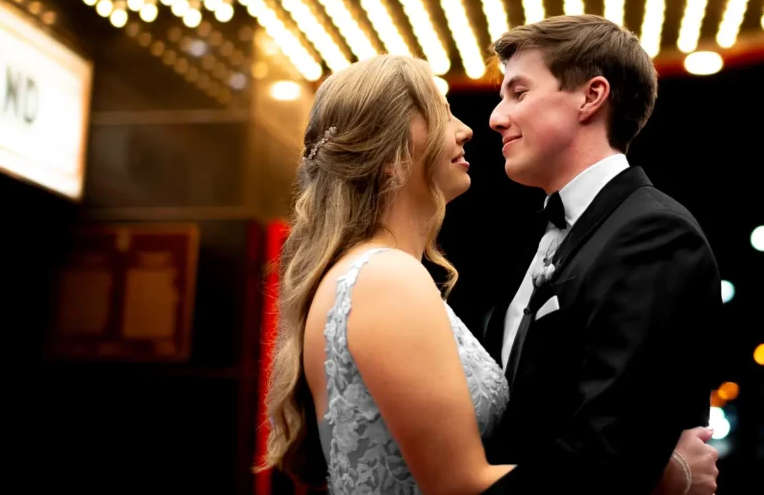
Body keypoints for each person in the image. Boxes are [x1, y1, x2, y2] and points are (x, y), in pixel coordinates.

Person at [262, 53, 717, 494]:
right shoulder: (385, 278)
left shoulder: (367, 274)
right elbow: (459, 486)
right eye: (441, 114)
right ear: (390, 147)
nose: (466, 130)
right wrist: (663, 478)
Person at [481, 15, 723, 494]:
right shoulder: (554, 230)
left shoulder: (652, 233)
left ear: (591, 96)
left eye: (519, 92)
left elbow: (605, 455)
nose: (496, 116)